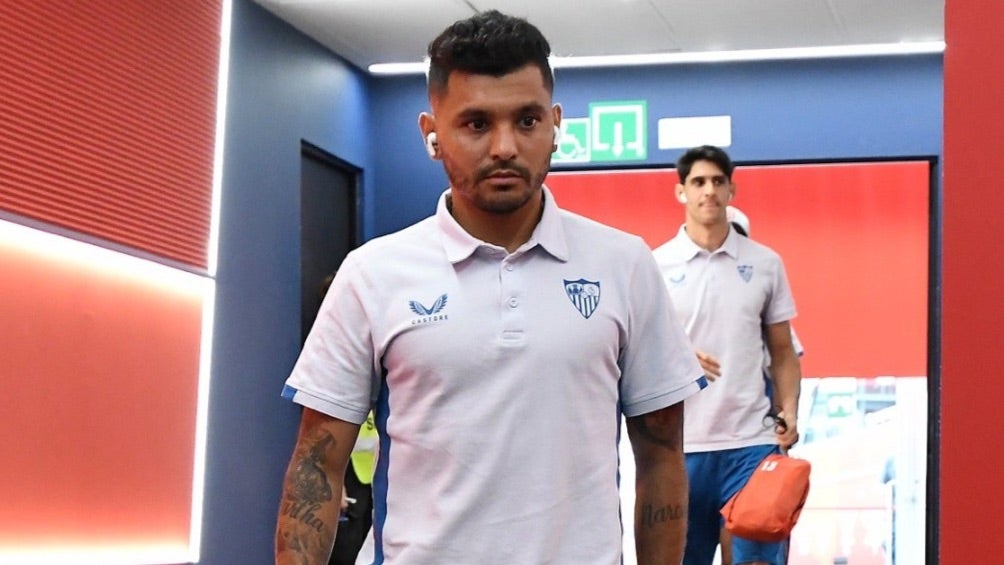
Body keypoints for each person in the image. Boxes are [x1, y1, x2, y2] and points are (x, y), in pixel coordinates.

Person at [274, 10, 705, 564]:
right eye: (476, 124)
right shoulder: (372, 273)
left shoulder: (625, 265)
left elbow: (662, 453)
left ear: (555, 125)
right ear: (432, 134)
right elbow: (316, 465)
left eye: (527, 120)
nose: (504, 146)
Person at [652, 145, 802, 565]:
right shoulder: (655, 265)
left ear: (731, 190)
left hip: (752, 444)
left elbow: (783, 350)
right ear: (681, 191)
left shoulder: (766, 263)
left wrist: (789, 410)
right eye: (698, 182)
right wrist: (676, 354)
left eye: (718, 182)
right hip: (682, 446)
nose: (709, 191)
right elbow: (633, 357)